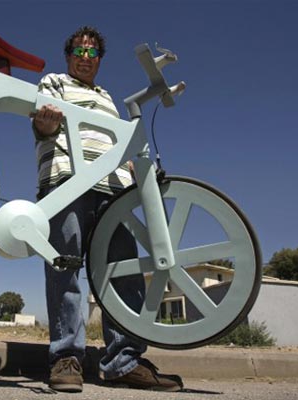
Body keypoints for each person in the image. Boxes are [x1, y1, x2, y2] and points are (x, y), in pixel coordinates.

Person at [32, 26, 184, 393]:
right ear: (69, 56)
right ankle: (66, 358)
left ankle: (123, 361)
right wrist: (44, 122)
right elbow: (40, 121)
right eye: (80, 52)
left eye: (93, 54)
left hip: (112, 190)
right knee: (64, 269)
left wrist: (136, 171)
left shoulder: (107, 98)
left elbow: (117, 145)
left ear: (99, 61)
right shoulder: (53, 81)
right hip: (66, 180)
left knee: (122, 273)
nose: (86, 59)